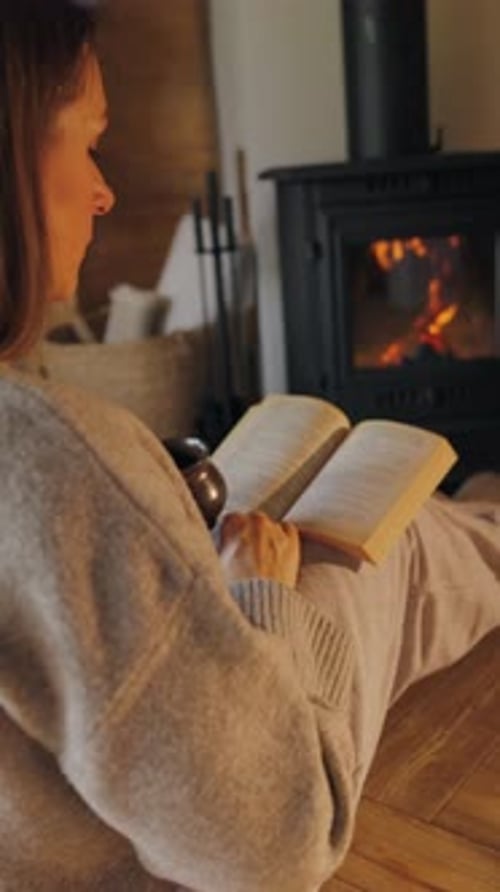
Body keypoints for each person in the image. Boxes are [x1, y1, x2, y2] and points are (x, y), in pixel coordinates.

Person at [0, 3, 499, 891]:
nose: (105, 188)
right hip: (198, 820)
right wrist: (262, 593)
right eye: (87, 142)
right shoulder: (53, 462)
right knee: (399, 547)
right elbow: (270, 850)